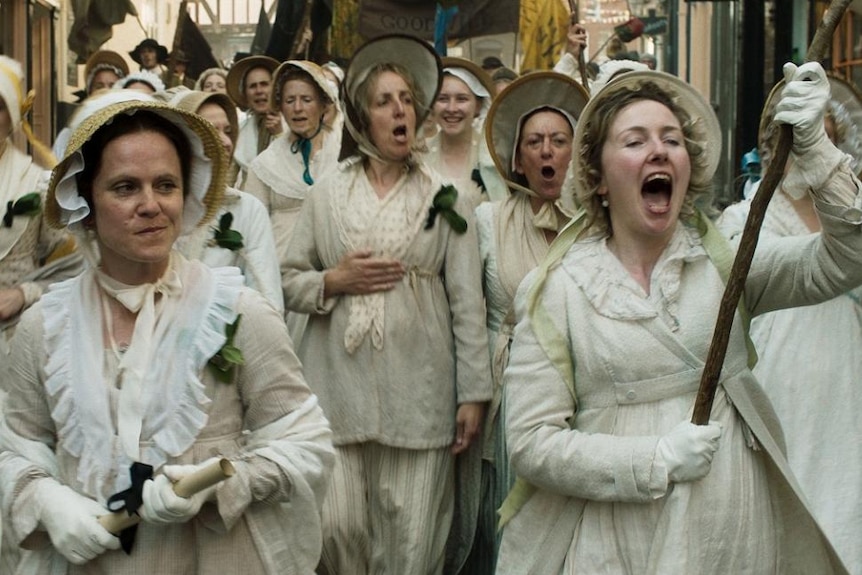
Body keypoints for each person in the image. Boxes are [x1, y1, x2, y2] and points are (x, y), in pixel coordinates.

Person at [496, 65, 857, 574]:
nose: (659, 150)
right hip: (617, 545)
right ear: (597, 178)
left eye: (671, 139)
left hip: (732, 538)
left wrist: (817, 150)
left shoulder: (730, 265)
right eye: (635, 140)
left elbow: (848, 259)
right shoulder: (557, 292)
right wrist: (653, 458)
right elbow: (532, 444)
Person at [0, 94, 334, 574]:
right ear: (86, 203)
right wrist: (48, 502)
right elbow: (16, 451)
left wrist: (224, 481)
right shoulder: (45, 326)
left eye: (166, 185)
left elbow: (306, 445)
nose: (151, 205)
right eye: (124, 187)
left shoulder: (236, 313)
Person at [282, 35, 492, 574]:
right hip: (337, 387)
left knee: (412, 536)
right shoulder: (327, 193)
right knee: (337, 526)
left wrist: (473, 393)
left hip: (420, 390)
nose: (400, 109)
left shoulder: (447, 196)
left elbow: (467, 300)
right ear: (361, 118)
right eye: (384, 101)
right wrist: (334, 280)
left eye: (405, 99)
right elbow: (288, 279)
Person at [718, 73, 862, 574]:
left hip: (846, 380)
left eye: (818, 132)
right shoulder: (742, 218)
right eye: (797, 131)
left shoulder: (853, 217)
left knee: (842, 503)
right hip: (776, 377)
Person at [467, 71, 589, 575]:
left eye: (559, 141)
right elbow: (469, 318)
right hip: (510, 396)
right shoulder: (488, 222)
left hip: (584, 390)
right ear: (518, 158)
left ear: (577, 153)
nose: (547, 152)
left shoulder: (599, 225)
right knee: (513, 523)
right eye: (534, 142)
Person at [243, 61, 341, 335]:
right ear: (281, 107)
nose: (298, 108)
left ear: (324, 104)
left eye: (306, 99)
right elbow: (252, 236)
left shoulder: (344, 155)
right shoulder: (264, 165)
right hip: (283, 281)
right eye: (290, 100)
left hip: (334, 277)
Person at [166, 88, 284, 313]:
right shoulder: (158, 209)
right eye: (210, 130)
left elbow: (268, 299)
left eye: (228, 131)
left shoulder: (245, 209)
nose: (226, 141)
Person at [0, 56, 82, 354]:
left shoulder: (37, 184)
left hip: (13, 339)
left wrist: (24, 293)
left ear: (12, 115)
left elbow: (73, 270)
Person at [425, 57, 506, 206]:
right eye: (443, 99)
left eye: (461, 99)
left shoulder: (493, 156)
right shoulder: (419, 155)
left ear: (478, 106)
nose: (451, 108)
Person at [226, 55, 283, 186]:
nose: (259, 91)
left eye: (264, 84)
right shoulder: (240, 130)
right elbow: (229, 178)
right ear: (245, 94)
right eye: (252, 86)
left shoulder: (293, 123)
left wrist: (279, 134)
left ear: (276, 89)